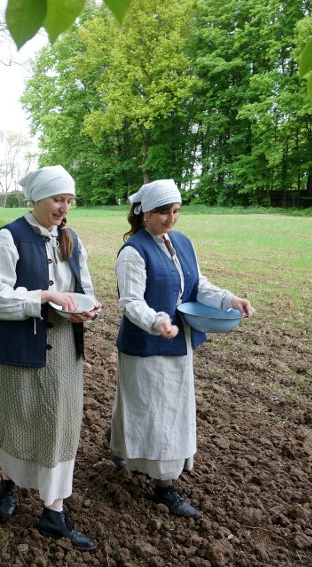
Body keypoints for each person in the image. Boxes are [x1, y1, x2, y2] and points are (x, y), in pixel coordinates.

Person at [108, 179, 255, 518]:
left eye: (176, 211)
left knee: (167, 411)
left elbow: (197, 284)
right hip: (146, 345)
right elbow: (130, 302)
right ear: (144, 214)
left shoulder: (182, 243)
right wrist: (157, 321)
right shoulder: (133, 251)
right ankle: (164, 488)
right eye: (163, 212)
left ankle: (127, 449)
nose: (171, 219)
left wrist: (229, 299)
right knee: (153, 411)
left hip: (180, 343)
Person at [0, 165, 101, 551]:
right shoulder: (9, 236)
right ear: (37, 200)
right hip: (16, 348)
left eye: (69, 200)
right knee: (16, 419)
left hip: (63, 347)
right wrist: (42, 298)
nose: (64, 207)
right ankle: (8, 481)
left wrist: (88, 309)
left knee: (60, 425)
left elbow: (85, 289)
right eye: (57, 199)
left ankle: (54, 512)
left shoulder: (70, 239)